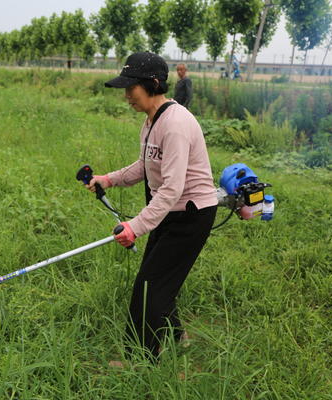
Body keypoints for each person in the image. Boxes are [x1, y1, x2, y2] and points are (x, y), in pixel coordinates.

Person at [84, 52, 218, 363]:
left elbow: (171, 188)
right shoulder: (152, 121)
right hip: (171, 212)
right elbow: (145, 166)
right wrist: (109, 179)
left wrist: (135, 226)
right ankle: (176, 337)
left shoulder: (175, 123)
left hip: (191, 215)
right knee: (157, 280)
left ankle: (140, 361)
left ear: (153, 84)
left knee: (148, 289)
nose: (127, 95)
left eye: (132, 87)